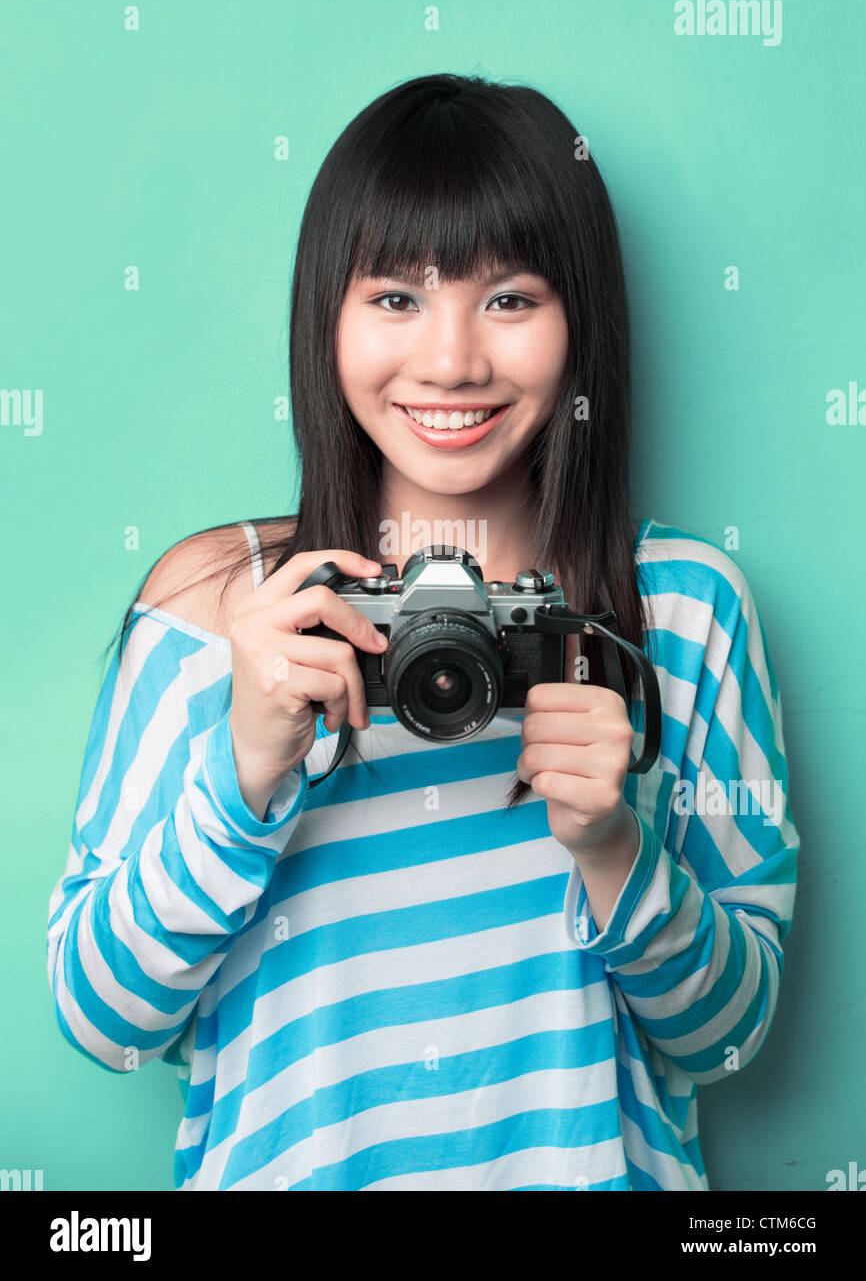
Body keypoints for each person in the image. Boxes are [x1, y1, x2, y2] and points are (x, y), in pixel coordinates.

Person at [46, 73, 799, 1191]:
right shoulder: (223, 606)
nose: (450, 361)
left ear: (578, 316)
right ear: (325, 316)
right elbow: (100, 1018)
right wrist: (243, 769)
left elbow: (725, 1037)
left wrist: (612, 845)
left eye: (509, 298)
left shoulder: (680, 606)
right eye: (394, 297)